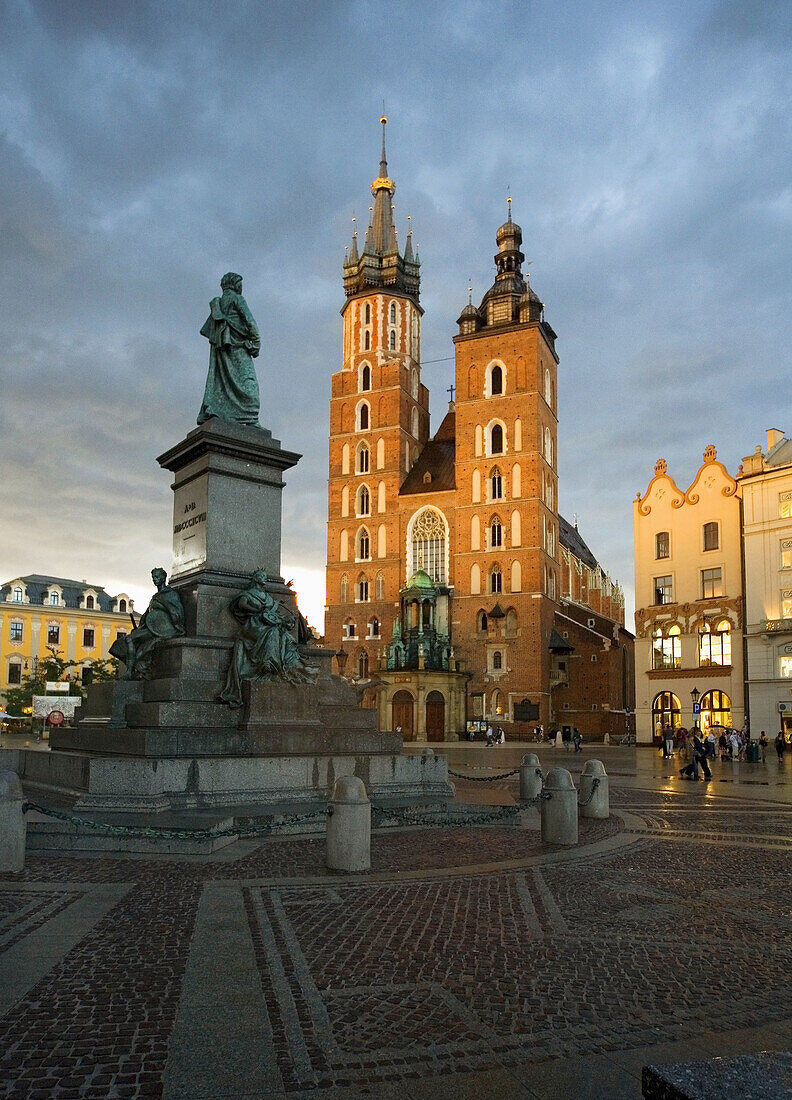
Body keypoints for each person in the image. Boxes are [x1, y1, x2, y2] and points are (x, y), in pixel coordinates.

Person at [219, 570, 317, 707]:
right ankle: (267, 663)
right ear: (256, 578)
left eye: (265, 577)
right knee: (272, 632)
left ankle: (273, 664)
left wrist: (284, 619)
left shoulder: (266, 596)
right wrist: (257, 610)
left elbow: (274, 611)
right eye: (262, 576)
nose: (264, 578)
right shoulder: (249, 593)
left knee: (283, 635)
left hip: (265, 623)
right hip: (253, 625)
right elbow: (242, 604)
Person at [198, 272, 261, 425]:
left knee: (221, 382)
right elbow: (250, 322)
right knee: (250, 385)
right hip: (239, 348)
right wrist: (256, 343)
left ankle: (221, 411)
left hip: (224, 350)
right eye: (240, 284)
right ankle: (250, 417)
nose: (242, 287)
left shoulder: (217, 305)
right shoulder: (237, 299)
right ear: (235, 284)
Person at [109, 568, 185, 680]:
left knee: (133, 644)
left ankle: (131, 671)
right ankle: (131, 670)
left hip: (165, 630)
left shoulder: (171, 594)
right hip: (151, 628)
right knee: (126, 641)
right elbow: (146, 615)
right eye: (153, 577)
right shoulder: (155, 597)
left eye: (157, 577)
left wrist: (161, 605)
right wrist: (139, 627)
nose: (155, 579)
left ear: (163, 578)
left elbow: (177, 615)